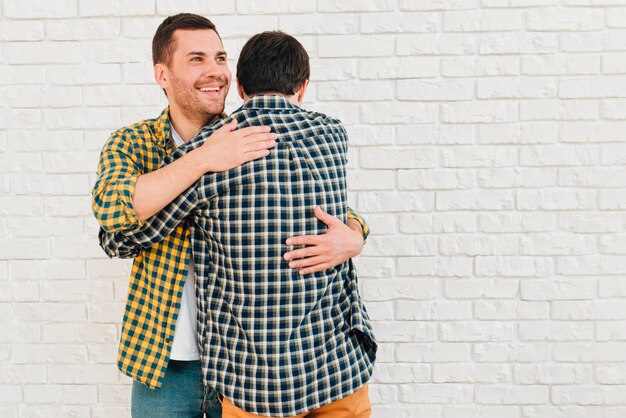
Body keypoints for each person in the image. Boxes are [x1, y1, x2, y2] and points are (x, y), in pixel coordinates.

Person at [92, 14, 370, 418]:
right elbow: (114, 219)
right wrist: (204, 160)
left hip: (245, 364)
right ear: (162, 74)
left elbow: (326, 206)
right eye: (196, 59)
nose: (214, 71)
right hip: (166, 363)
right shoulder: (133, 142)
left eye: (221, 58)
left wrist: (356, 235)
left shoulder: (252, 135)